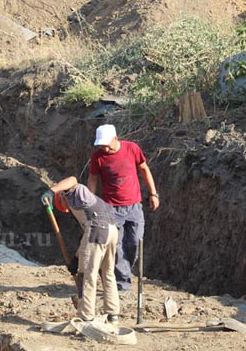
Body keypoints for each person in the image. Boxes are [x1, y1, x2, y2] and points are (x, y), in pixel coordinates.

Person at [87, 124, 160, 292]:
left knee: (134, 242)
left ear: (115, 138)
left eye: (106, 144)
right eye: (101, 145)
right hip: (111, 208)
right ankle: (122, 284)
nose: (104, 148)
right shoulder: (98, 157)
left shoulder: (131, 149)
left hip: (134, 206)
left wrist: (153, 194)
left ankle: (124, 273)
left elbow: (144, 169)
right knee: (116, 246)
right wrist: (91, 204)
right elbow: (92, 179)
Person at [41, 176, 119, 324]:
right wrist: (76, 258)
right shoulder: (90, 205)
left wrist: (51, 191)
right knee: (107, 272)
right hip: (112, 231)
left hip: (98, 229)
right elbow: (87, 240)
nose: (67, 208)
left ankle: (86, 316)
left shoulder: (78, 195)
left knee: (87, 275)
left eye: (63, 205)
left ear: (62, 196)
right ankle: (113, 313)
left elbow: (72, 179)